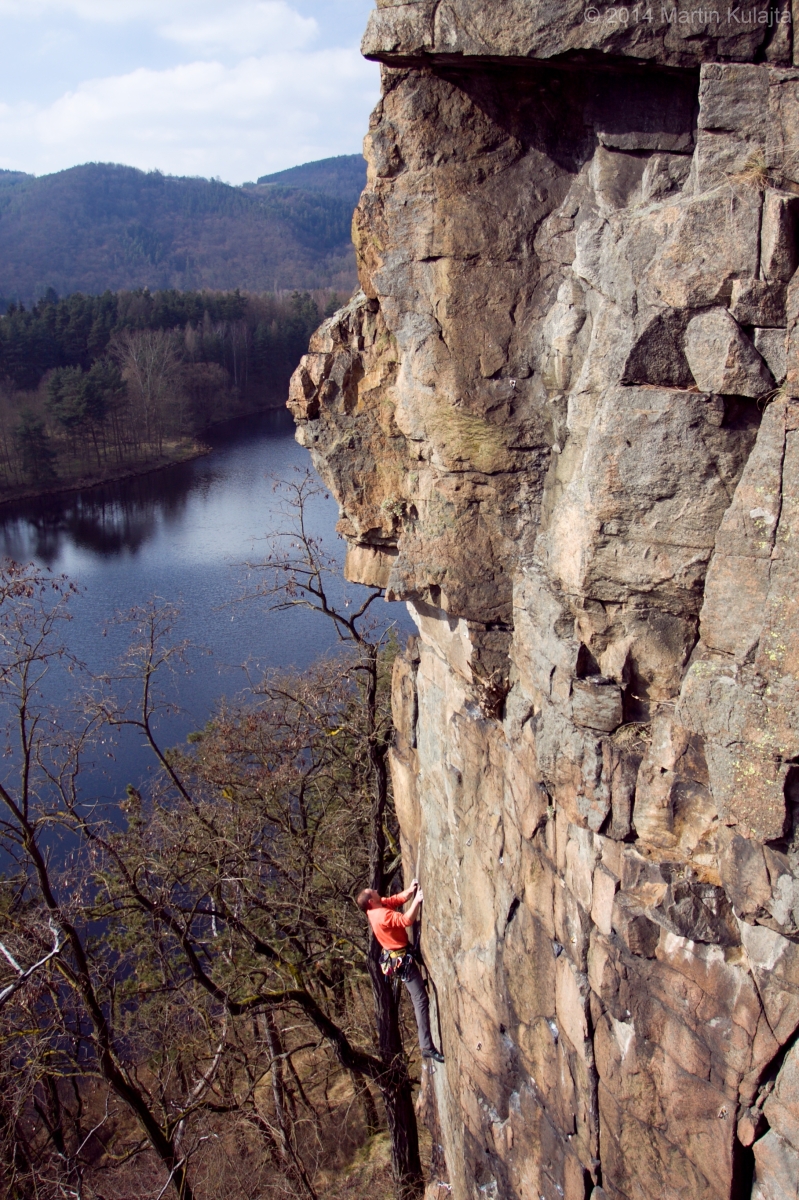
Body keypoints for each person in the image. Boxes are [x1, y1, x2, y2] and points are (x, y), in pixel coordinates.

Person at [356, 879, 444, 1063]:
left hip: (399, 954)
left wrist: (410, 892)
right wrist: (417, 901)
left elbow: (394, 900)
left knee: (420, 995)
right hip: (402, 961)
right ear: (371, 901)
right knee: (420, 1000)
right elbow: (406, 920)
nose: (375, 889)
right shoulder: (381, 915)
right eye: (372, 891)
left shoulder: (374, 909)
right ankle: (427, 1047)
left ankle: (426, 1044)